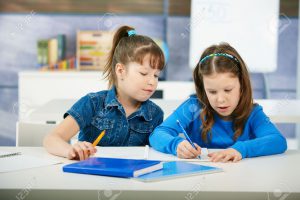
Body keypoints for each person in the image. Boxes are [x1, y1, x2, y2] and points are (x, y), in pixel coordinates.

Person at [149, 42, 287, 162]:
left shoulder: (253, 113)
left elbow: (278, 141)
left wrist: (241, 149)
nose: (220, 100)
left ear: (242, 85)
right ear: (203, 88)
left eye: (228, 90)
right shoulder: (193, 107)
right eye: (212, 92)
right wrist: (176, 145)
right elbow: (157, 134)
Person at [44, 25, 165, 160]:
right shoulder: (92, 103)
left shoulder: (156, 114)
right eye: (144, 73)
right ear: (120, 71)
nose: (152, 82)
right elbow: (51, 139)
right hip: (91, 177)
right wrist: (70, 150)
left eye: (156, 75)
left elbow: (155, 154)